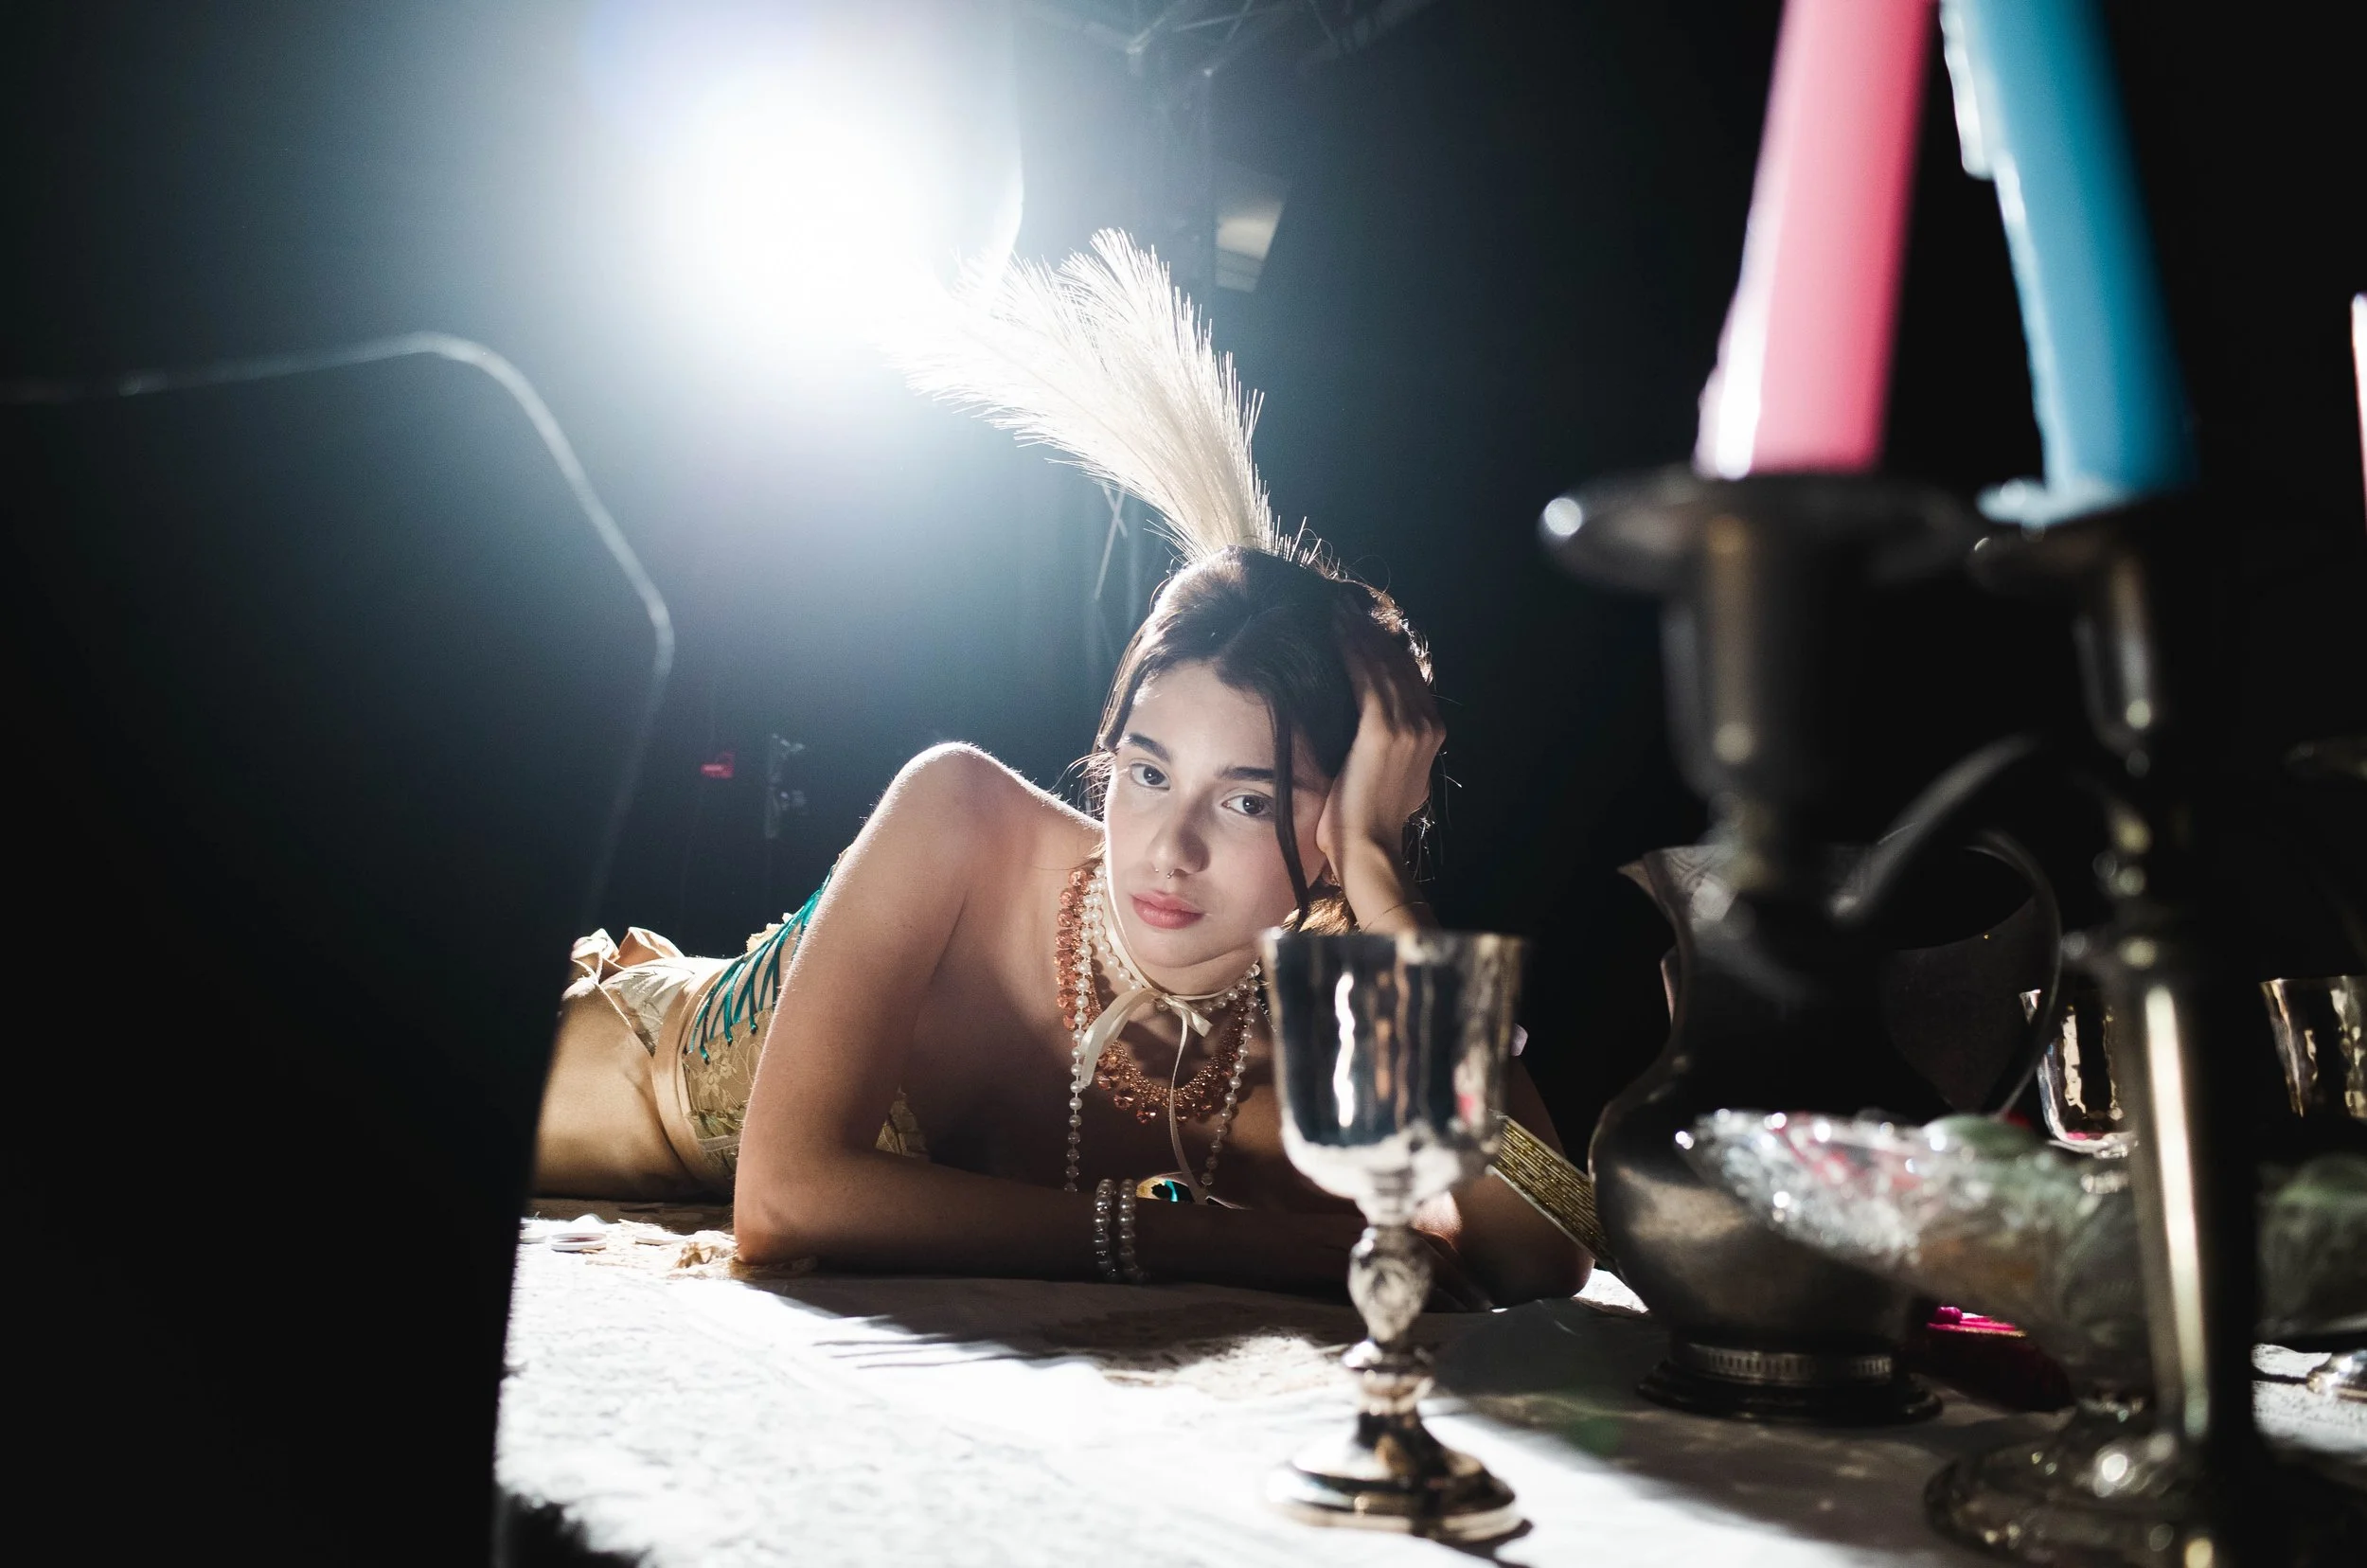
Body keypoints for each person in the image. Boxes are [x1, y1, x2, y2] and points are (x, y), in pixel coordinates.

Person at [533, 234, 1590, 1307]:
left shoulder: (1327, 1039)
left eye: (1247, 799)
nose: (1170, 850)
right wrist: (1248, 1248)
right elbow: (785, 1201)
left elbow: (1540, 1258)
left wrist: (1379, 884)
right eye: (1145, 773)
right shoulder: (960, 813)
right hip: (563, 1075)